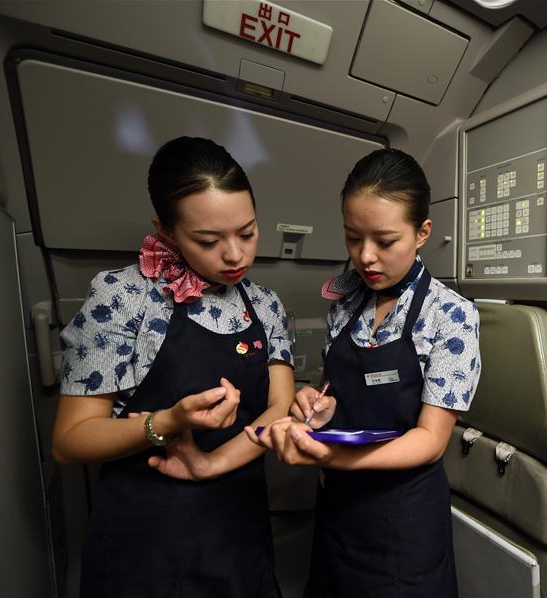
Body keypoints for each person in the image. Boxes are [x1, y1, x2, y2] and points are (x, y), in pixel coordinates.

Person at [52, 136, 294, 598]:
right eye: (208, 240)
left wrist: (212, 463)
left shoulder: (264, 304)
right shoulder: (123, 298)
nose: (235, 255)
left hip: (239, 529)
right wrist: (169, 421)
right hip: (147, 540)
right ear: (164, 231)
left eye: (247, 232)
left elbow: (279, 407)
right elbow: (69, 440)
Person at [250, 148, 481, 597]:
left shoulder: (451, 316)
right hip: (338, 508)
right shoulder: (348, 299)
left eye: (385, 240)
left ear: (422, 234)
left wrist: (329, 457)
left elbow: (430, 441)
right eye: (353, 238)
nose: (366, 257)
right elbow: (337, 389)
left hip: (403, 520)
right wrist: (317, 404)